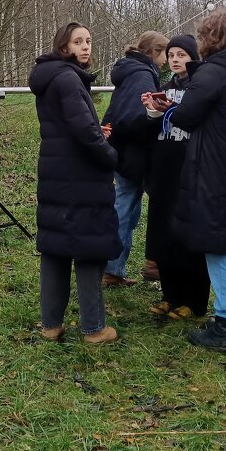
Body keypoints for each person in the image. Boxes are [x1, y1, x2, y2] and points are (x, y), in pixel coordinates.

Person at [144, 12, 226, 351]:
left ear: (214, 38)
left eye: (203, 36)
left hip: (216, 170)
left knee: (220, 245)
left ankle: (224, 326)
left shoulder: (213, 72)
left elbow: (187, 115)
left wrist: (165, 108)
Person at [29, 22, 120, 345]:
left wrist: (94, 128)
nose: (85, 46)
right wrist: (109, 153)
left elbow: (69, 124)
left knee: (55, 249)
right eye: (78, 42)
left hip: (56, 173)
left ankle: (50, 325)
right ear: (64, 47)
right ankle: (94, 329)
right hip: (80, 176)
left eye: (88, 41)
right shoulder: (68, 78)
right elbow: (83, 132)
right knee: (88, 248)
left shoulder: (52, 76)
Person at [141, 34, 210, 321]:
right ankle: (170, 295)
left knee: (188, 237)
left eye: (181, 55)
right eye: (171, 55)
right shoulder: (165, 88)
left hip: (191, 171)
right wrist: (152, 111)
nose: (175, 60)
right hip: (164, 171)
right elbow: (151, 130)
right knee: (163, 234)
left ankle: (194, 301)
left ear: (193, 57)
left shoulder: (200, 88)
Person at [100, 30, 167, 286]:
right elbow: (133, 117)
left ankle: (114, 268)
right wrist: (155, 114)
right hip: (132, 153)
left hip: (121, 149)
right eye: (165, 54)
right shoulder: (143, 75)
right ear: (155, 52)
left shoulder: (130, 70)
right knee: (125, 209)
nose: (166, 61)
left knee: (128, 207)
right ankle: (111, 268)